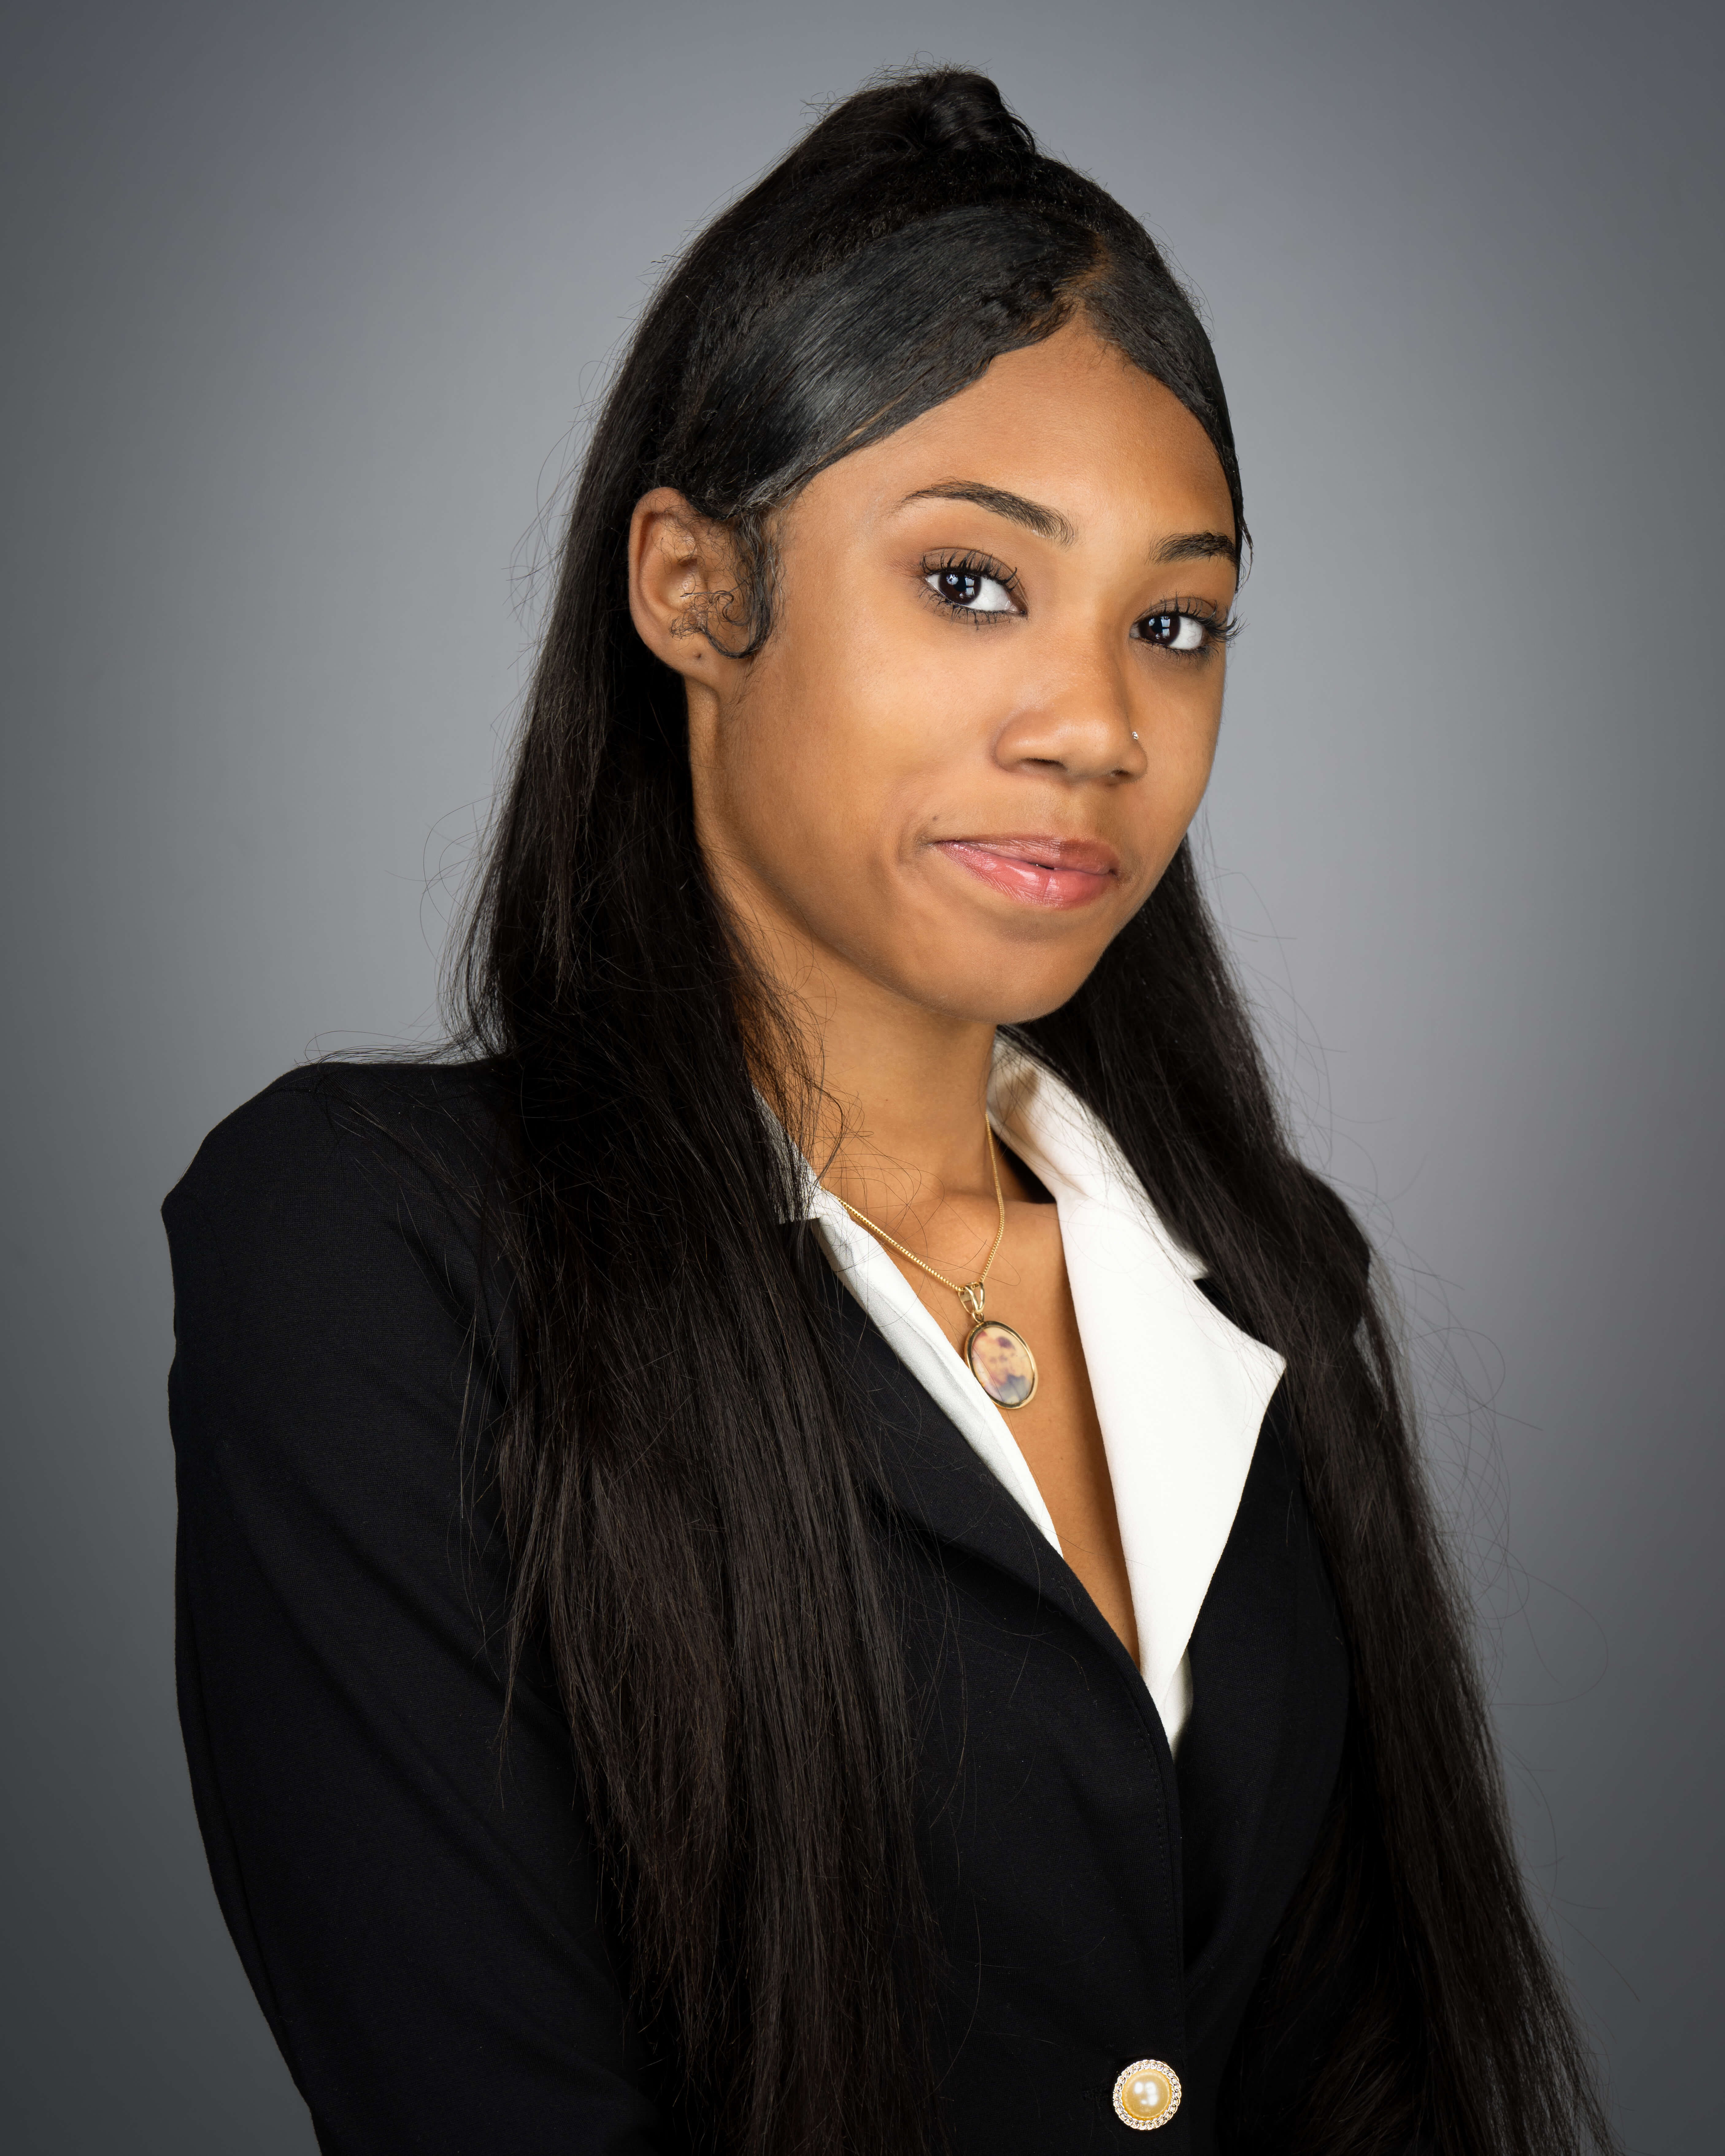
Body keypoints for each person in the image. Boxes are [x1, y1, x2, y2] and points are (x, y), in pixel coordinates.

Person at [164, 69, 1615, 2156]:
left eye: (1174, 623)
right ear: (694, 589)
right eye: (970, 582)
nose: (1096, 724)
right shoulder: (376, 1252)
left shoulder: (1265, 1274)